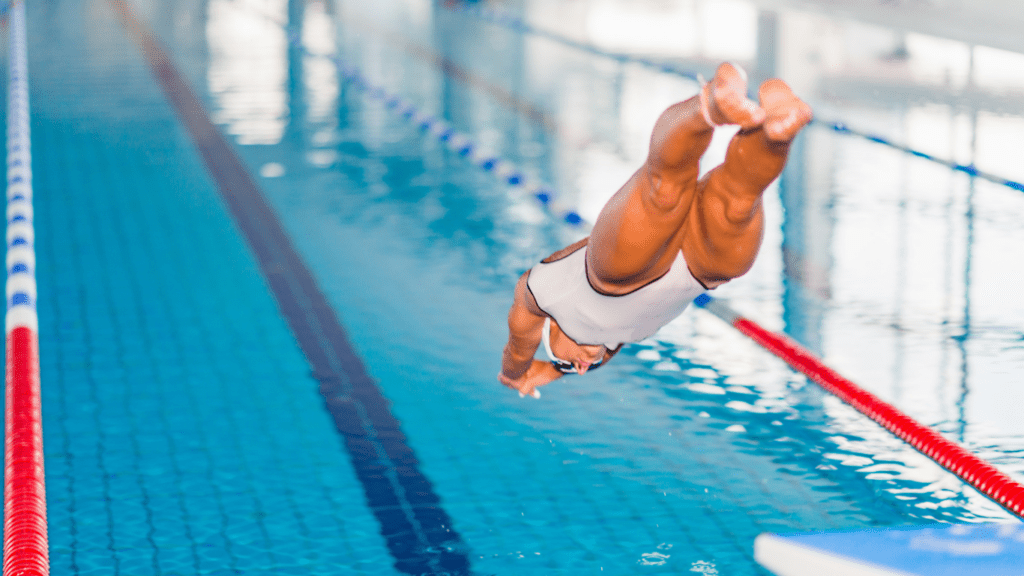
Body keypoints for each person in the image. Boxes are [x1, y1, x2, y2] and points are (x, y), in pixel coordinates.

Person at [498, 62, 813, 398]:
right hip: (699, 270)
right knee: (739, 203)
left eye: (565, 363)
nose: (582, 366)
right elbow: (584, 359)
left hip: (614, 273)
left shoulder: (542, 296)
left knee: (663, 191)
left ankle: (711, 105)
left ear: (553, 327)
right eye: (580, 370)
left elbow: (518, 349)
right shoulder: (606, 345)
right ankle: (776, 131)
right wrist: (555, 371)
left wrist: (515, 374)